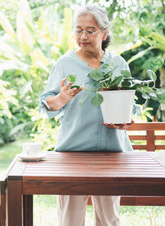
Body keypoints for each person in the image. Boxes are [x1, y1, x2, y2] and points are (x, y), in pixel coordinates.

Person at [39, 4, 133, 226]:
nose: (83, 36)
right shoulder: (64, 64)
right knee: (69, 221)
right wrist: (61, 98)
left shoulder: (117, 64)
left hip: (112, 153)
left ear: (104, 33)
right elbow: (46, 104)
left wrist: (125, 120)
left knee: (109, 220)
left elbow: (130, 105)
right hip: (72, 152)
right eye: (78, 30)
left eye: (90, 31)